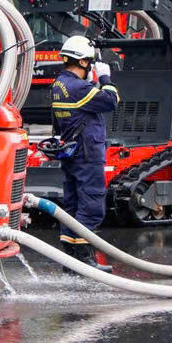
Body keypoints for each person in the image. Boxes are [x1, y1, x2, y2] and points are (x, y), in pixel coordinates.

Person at [50, 35, 118, 273]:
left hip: (71, 152)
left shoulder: (58, 84)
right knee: (91, 204)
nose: (90, 66)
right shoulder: (79, 88)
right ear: (82, 62)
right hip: (87, 154)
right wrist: (105, 77)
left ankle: (70, 259)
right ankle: (84, 259)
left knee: (73, 204)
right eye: (89, 62)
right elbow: (111, 100)